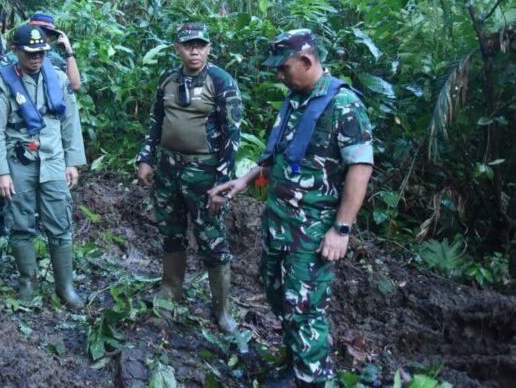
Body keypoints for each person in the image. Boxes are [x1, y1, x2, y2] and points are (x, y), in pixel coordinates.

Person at [208, 29, 374, 387]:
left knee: (305, 305)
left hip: (313, 229)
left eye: (283, 68)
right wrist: (244, 180)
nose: (279, 76)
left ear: (307, 61)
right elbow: (281, 155)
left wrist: (341, 229)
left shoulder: (343, 105)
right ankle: (296, 362)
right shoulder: (297, 99)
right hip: (280, 220)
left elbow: (360, 168)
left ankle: (311, 378)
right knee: (277, 292)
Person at [135, 21, 242, 333]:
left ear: (208, 48)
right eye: (188, 45)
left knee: (212, 238)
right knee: (170, 230)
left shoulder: (221, 82)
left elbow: (231, 136)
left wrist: (223, 184)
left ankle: (222, 310)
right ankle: (171, 290)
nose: (194, 50)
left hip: (205, 172)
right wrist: (145, 157)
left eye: (200, 45)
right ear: (177, 49)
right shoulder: (168, 80)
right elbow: (156, 120)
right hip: (169, 169)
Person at [0, 24, 87, 308]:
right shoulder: (3, 83)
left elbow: (70, 121)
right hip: (19, 161)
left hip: (54, 159)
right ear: (16, 51)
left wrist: (73, 162)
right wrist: (2, 172)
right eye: (30, 53)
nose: (36, 58)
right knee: (20, 223)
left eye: (41, 52)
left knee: (60, 222)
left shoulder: (58, 78)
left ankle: (65, 286)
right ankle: (27, 281)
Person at [0, 13, 81, 90]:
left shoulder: (54, 58)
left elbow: (74, 85)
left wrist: (69, 51)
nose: (44, 38)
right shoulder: (11, 57)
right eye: (40, 32)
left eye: (48, 34)